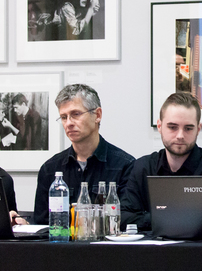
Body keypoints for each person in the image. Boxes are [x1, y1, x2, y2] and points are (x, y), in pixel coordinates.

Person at [121, 93, 202, 231]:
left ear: (198, 129)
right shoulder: (143, 167)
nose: (180, 136)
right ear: (159, 126)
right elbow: (123, 217)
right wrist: (171, 217)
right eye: (172, 127)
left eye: (188, 128)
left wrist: (152, 218)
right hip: (151, 245)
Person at [33, 84, 134, 225]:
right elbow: (41, 225)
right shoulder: (50, 169)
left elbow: (126, 221)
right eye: (63, 117)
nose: (68, 123)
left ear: (97, 115)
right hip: (62, 240)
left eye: (76, 114)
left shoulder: (125, 166)